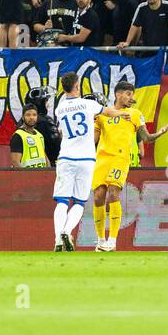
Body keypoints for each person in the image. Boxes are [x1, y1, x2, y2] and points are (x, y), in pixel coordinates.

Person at [91, 79, 168, 251]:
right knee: (98, 196)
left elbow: (146, 138)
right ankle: (100, 240)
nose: (130, 98)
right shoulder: (103, 114)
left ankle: (112, 240)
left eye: (131, 94)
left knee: (113, 193)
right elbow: (93, 140)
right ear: (117, 94)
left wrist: (160, 133)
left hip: (120, 158)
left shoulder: (135, 113)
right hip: (102, 158)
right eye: (127, 94)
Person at [51, 70, 104, 252]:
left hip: (66, 157)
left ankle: (58, 238)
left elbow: (61, 131)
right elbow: (108, 111)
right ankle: (67, 230)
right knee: (80, 202)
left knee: (62, 201)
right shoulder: (89, 104)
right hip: (87, 158)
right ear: (77, 86)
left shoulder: (60, 108)